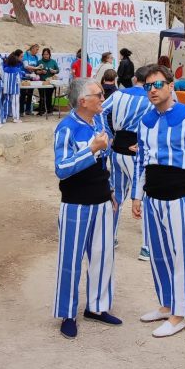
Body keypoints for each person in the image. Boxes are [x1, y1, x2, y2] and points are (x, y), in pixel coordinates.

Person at [132, 65, 185, 338]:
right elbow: (141, 160)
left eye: (157, 85)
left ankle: (179, 314)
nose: (152, 90)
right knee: (158, 254)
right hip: (152, 196)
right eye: (148, 86)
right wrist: (136, 195)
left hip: (179, 196)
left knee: (180, 255)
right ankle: (167, 305)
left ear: (170, 85)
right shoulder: (145, 120)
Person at [53, 78, 122, 339]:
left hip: (102, 200)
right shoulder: (66, 128)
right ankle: (67, 314)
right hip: (76, 203)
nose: (103, 98)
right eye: (99, 95)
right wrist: (91, 149)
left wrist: (110, 189)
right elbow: (62, 168)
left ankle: (97, 307)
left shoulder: (99, 121)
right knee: (70, 260)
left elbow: (105, 163)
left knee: (103, 256)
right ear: (83, 101)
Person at [101, 66, 153, 261]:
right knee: (144, 197)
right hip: (138, 151)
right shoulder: (151, 97)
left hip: (117, 149)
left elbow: (100, 111)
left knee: (116, 195)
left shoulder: (119, 94)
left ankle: (111, 237)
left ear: (134, 78)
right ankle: (146, 247)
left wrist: (109, 134)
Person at [3, 50, 26, 123]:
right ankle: (15, 118)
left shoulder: (5, 70)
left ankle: (4, 117)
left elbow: (3, 79)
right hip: (15, 90)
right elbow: (18, 80)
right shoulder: (17, 70)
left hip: (6, 89)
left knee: (6, 103)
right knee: (15, 103)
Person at [36, 47, 59, 115]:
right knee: (42, 96)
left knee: (49, 96)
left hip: (50, 82)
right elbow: (36, 71)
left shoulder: (53, 61)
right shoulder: (39, 62)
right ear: (42, 55)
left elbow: (58, 70)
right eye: (44, 54)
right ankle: (41, 110)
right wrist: (41, 72)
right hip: (41, 82)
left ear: (49, 55)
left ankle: (49, 110)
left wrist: (54, 71)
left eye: (47, 54)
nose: (46, 56)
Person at [22, 45, 40, 115]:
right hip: (24, 78)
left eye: (38, 50)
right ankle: (21, 111)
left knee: (30, 94)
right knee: (23, 94)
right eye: (36, 49)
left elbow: (36, 67)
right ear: (32, 49)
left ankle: (28, 110)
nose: (37, 51)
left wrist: (37, 72)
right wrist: (36, 68)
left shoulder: (35, 57)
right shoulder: (26, 55)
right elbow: (26, 66)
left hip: (32, 78)